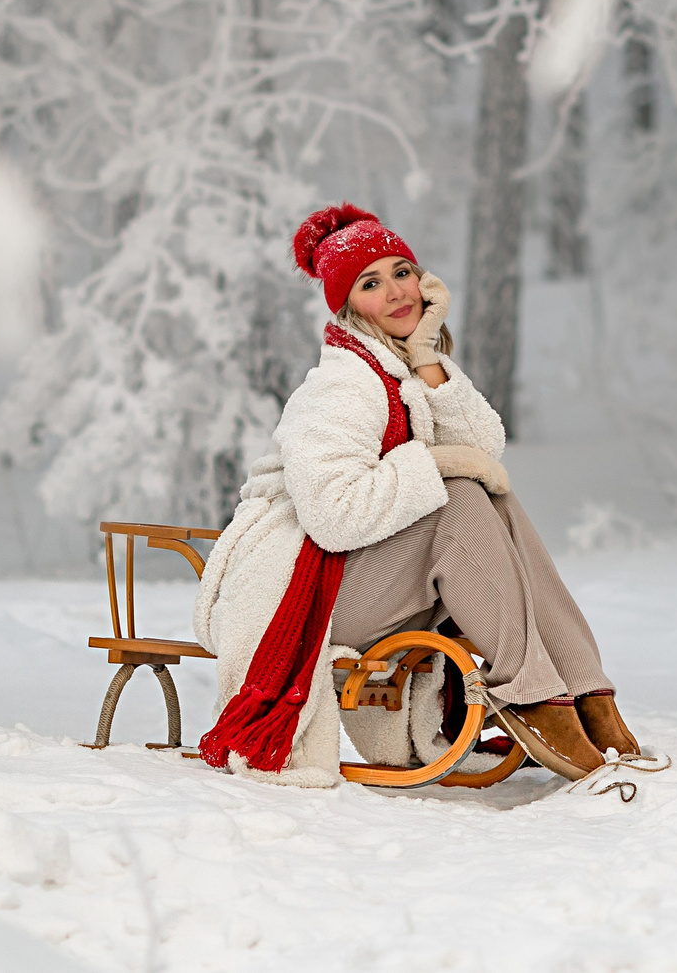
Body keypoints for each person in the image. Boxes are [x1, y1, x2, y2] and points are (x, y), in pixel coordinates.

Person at [190, 202, 641, 786]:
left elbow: (485, 447)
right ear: (348, 304)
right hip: (309, 596)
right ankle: (530, 693)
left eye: (402, 271)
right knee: (456, 492)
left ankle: (583, 688)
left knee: (489, 496)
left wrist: (430, 356)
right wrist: (433, 463)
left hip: (359, 577)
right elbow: (332, 516)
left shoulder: (402, 370)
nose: (397, 292)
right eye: (370, 283)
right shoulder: (341, 385)